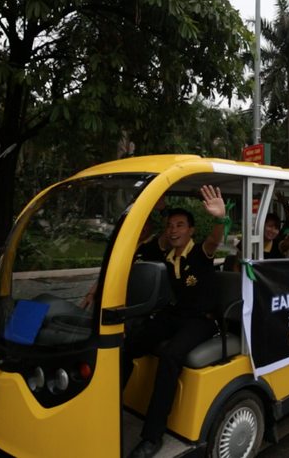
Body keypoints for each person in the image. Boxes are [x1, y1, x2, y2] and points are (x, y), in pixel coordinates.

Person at [123, 185, 226, 458]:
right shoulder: (165, 255)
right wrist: (160, 210)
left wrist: (220, 218)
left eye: (180, 225)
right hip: (174, 315)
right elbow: (135, 248)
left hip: (202, 321)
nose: (173, 230)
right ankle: (108, 406)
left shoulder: (200, 252)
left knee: (170, 356)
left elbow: (216, 239)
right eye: (170, 226)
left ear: (191, 230)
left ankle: (152, 437)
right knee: (129, 344)